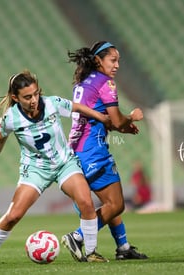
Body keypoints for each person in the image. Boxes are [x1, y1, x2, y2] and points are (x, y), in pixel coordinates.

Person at [0, 70, 111, 265]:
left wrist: (101, 117)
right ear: (15, 98)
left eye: (36, 93)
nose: (34, 99)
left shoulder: (52, 103)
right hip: (36, 169)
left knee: (86, 202)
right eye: (27, 97)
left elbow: (77, 107)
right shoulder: (11, 118)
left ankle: (92, 252)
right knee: (14, 215)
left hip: (64, 163)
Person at [61, 41, 148, 261]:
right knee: (116, 204)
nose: (117, 65)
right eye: (113, 60)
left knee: (108, 203)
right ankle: (77, 237)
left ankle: (123, 247)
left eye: (119, 60)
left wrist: (123, 127)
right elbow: (117, 120)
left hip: (75, 153)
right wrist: (132, 117)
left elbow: (102, 120)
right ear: (98, 60)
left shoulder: (83, 82)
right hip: (94, 151)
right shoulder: (105, 83)